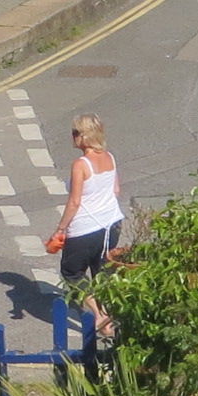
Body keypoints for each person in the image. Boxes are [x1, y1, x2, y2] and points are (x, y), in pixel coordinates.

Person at [45, 113, 124, 321]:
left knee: (72, 273)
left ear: (84, 136)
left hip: (86, 229)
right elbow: (116, 190)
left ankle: (99, 315)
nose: (72, 136)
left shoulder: (81, 164)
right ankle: (109, 317)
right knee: (102, 272)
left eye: (75, 133)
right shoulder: (110, 157)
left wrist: (60, 230)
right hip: (112, 224)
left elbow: (74, 202)